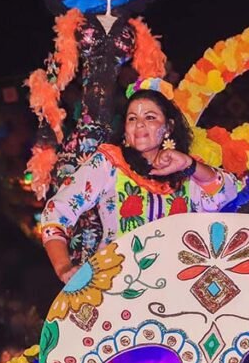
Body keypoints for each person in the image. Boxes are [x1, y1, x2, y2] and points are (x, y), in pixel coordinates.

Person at [27, 0, 170, 262]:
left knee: (115, 218)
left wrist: (157, 131)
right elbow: (52, 84)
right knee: (79, 220)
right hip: (81, 136)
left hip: (118, 135)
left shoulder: (135, 32)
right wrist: (46, 141)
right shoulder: (76, 26)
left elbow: (150, 86)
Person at [40, 82, 238, 282]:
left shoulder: (187, 171)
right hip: (116, 286)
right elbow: (56, 210)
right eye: (132, 118)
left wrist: (190, 165)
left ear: (168, 127)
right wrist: (63, 267)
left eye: (150, 117)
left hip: (178, 287)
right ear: (125, 130)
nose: (139, 124)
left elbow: (227, 192)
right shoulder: (109, 164)